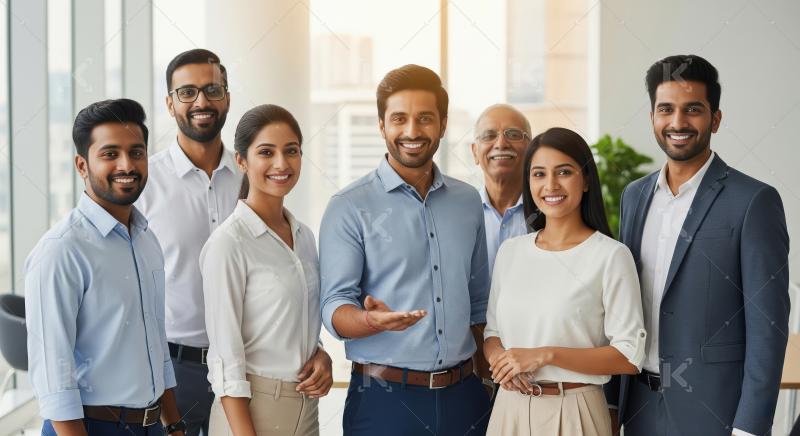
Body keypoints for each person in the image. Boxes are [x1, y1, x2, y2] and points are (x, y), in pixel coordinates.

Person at [605, 54, 790, 436]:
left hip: (716, 415)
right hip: (638, 409)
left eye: (693, 110)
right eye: (666, 109)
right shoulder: (633, 197)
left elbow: (767, 327)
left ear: (715, 119)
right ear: (653, 117)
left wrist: (750, 427)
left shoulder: (753, 201)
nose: (677, 122)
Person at [319, 64, 493, 435]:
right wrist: (368, 321)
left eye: (425, 118)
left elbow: (478, 304)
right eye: (399, 118)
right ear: (382, 125)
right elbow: (333, 307)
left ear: (443, 125)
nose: (412, 131)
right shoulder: (349, 206)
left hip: (466, 398)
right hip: (384, 402)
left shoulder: (467, 201)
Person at [25, 99, 185, 436]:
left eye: (137, 152)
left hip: (152, 425)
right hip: (88, 427)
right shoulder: (61, 251)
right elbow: (55, 380)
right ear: (82, 165)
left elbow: (156, 344)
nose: (127, 165)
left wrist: (175, 426)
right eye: (110, 154)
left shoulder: (146, 239)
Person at [483, 127, 646, 436]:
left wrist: (546, 354)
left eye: (564, 172)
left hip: (575, 411)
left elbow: (629, 355)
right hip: (509, 409)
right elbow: (492, 335)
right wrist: (501, 363)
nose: (550, 185)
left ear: (585, 180)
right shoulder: (511, 251)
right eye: (539, 174)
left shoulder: (610, 256)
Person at [200, 104, 332, 436]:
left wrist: (320, 354)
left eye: (291, 151)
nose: (281, 164)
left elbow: (295, 322)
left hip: (305, 409)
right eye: (266, 152)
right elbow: (225, 361)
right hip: (251, 412)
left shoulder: (304, 237)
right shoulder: (229, 243)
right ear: (241, 161)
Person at [136, 48, 240, 436]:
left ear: (227, 97)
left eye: (212, 90)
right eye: (187, 92)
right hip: (172, 370)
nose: (201, 102)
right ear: (169, 103)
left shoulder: (251, 177)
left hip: (242, 365)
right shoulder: (145, 183)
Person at [471, 104, 531, 276]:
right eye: (489, 135)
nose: (501, 143)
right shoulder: (459, 213)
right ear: (475, 152)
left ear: (531, 148)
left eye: (513, 135)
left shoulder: (549, 212)